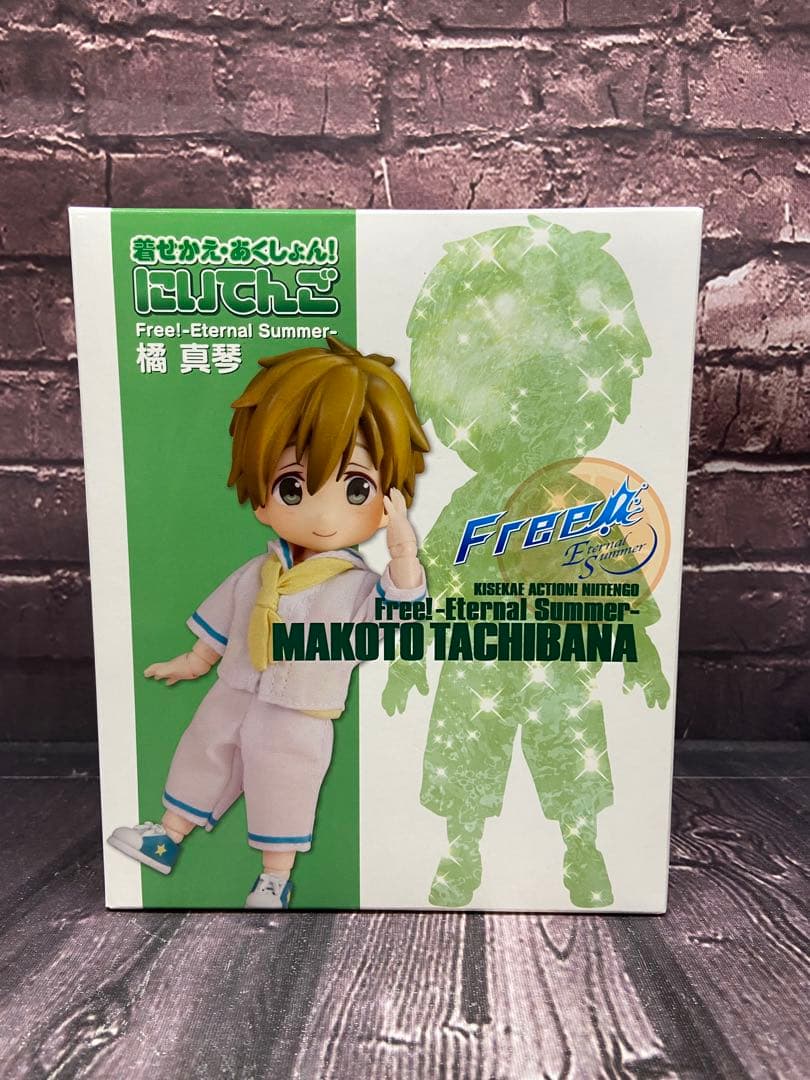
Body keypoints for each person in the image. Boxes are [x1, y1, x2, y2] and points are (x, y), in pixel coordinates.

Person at [109, 336, 430, 909]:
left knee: (284, 782)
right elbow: (226, 617)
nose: (323, 514)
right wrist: (195, 660)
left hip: (300, 707)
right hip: (236, 686)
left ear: (386, 500)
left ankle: (274, 878)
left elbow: (396, 622)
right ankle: (167, 836)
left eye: (356, 488)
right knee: (204, 751)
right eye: (292, 487)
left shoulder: (357, 586)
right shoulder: (259, 572)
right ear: (261, 496)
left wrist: (404, 553)